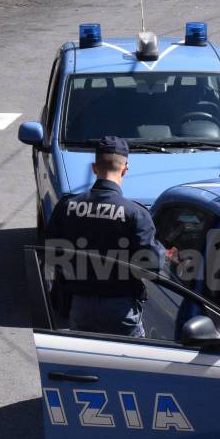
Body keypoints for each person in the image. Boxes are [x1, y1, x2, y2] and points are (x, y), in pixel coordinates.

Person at [46, 136, 165, 337]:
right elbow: (152, 264)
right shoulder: (134, 212)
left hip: (79, 304)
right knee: (129, 364)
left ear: (94, 168)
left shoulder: (67, 206)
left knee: (86, 363)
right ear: (125, 168)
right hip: (121, 308)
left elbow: (51, 253)